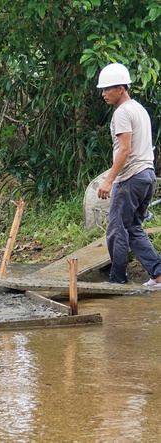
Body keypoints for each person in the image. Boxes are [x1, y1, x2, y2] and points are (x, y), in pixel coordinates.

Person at [96, 62, 161, 287]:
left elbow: (125, 149)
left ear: (121, 89)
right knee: (132, 227)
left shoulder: (122, 112)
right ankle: (158, 273)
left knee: (116, 229)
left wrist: (109, 180)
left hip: (131, 178)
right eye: (102, 90)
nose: (103, 94)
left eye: (108, 89)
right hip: (147, 176)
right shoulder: (138, 108)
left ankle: (117, 280)